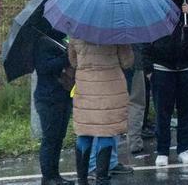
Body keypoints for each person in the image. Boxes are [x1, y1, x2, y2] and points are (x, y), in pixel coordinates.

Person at [145, 0, 188, 166]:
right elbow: (146, 38)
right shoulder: (157, 11)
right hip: (163, 67)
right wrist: (148, 68)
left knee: (187, 109)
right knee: (163, 111)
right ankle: (162, 150)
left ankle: (184, 148)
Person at [68, 39, 134, 185]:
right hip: (110, 90)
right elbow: (127, 62)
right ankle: (102, 179)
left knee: (84, 133)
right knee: (106, 132)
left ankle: (82, 180)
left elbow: (73, 61)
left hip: (85, 89)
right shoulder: (116, 33)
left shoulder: (77, 33)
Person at [33, 26, 73, 185]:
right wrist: (66, 58)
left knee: (58, 138)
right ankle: (48, 176)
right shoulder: (43, 43)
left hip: (62, 96)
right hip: (48, 99)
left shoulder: (59, 41)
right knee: (50, 139)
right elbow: (45, 67)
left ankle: (55, 175)